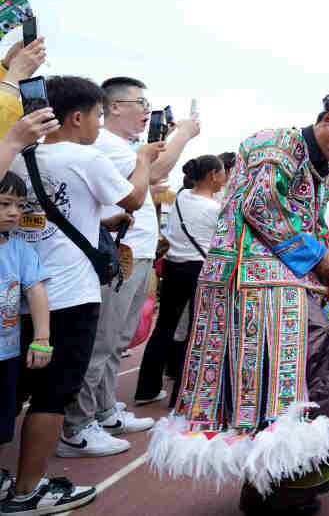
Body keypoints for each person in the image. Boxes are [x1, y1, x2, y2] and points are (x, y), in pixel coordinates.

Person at [152, 94, 329, 515]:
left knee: (290, 369)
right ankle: (284, 480)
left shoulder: (313, 167)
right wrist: (318, 258)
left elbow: (305, 224)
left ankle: (291, 475)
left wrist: (324, 266)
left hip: (276, 278)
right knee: (290, 358)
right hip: (247, 276)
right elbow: (260, 205)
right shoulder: (277, 143)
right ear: (327, 120)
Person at [9, 76, 157, 506]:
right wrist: (144, 158)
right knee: (52, 396)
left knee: (13, 391)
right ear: (77, 117)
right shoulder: (84, 157)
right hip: (69, 297)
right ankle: (28, 491)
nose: (97, 124)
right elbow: (134, 198)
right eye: (96, 115)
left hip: (18, 292)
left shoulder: (20, 156)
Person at [56, 77, 199, 457]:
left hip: (136, 254)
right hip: (119, 255)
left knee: (117, 340)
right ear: (113, 107)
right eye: (140, 102)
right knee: (101, 342)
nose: (146, 111)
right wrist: (182, 135)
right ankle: (77, 427)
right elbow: (153, 174)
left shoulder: (126, 148)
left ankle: (103, 412)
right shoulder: (105, 143)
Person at [0, 172, 71, 513]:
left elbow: (36, 291)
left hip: (7, 356)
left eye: (18, 205)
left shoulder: (19, 249)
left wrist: (42, 339)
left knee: (2, 424)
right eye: (4, 204)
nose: (13, 212)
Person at [133, 155, 225, 408]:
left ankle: (146, 389)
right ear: (213, 176)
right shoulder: (215, 209)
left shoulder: (182, 197)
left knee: (164, 328)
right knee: (196, 331)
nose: (224, 177)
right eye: (222, 172)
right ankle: (181, 396)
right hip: (199, 270)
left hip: (173, 267)